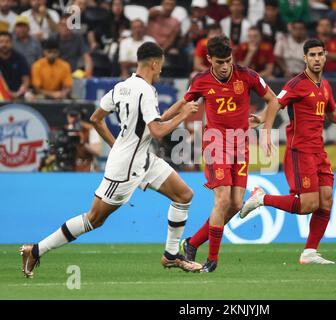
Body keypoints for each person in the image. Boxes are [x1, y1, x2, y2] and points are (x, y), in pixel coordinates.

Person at [20, 41, 203, 278]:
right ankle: (35, 250)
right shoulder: (146, 91)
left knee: (184, 195)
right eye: (161, 66)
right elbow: (158, 132)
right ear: (155, 63)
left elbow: (98, 118)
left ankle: (171, 256)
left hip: (142, 158)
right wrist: (184, 116)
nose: (161, 70)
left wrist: (182, 104)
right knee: (94, 219)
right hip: (125, 167)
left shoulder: (122, 87)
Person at [239, 39, 336, 265]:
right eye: (312, 55)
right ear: (305, 58)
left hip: (318, 150)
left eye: (320, 54)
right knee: (308, 205)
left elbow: (332, 115)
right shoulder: (296, 84)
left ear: (325, 56)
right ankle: (261, 199)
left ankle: (310, 252)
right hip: (300, 150)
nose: (317, 59)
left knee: (326, 200)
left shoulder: (325, 86)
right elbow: (274, 103)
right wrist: (266, 130)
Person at [178, 35, 280, 272]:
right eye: (219, 62)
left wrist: (265, 127)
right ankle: (212, 259)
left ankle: (192, 243)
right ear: (209, 59)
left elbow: (273, 101)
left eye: (228, 60)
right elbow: (184, 102)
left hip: (241, 145)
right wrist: (163, 120)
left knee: (235, 204)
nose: (225, 66)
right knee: (222, 200)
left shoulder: (247, 75)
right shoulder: (202, 80)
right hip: (215, 144)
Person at [0, 31, 29, 99]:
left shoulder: (20, 58)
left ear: (12, 43)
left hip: (18, 95)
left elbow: (26, 80)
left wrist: (20, 92)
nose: (4, 44)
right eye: (1, 42)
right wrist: (6, 94)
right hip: (1, 96)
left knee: (30, 97)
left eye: (7, 42)